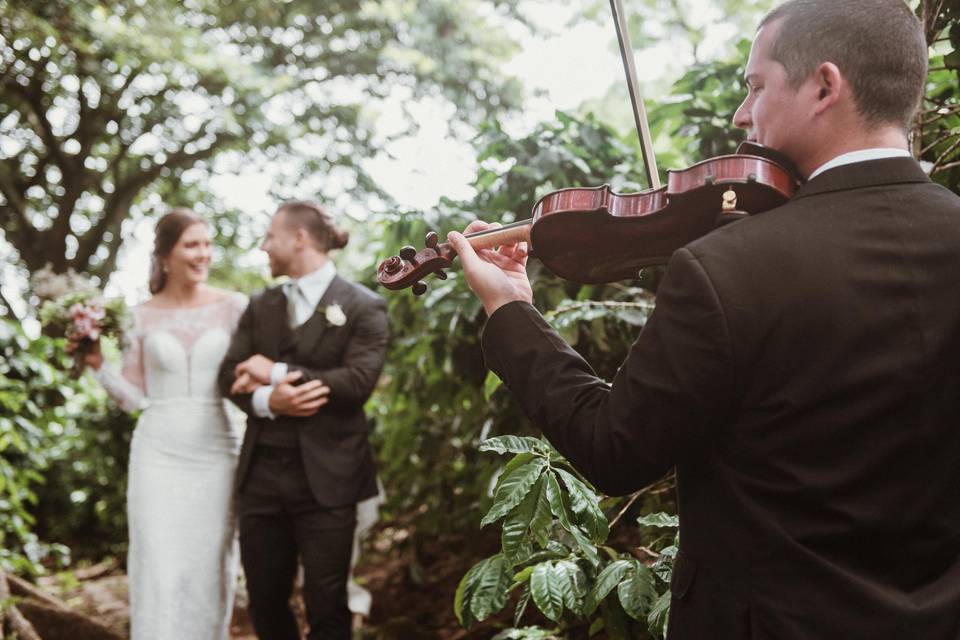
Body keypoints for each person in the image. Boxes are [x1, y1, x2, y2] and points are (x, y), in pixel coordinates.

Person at [447, 1, 960, 638]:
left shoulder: (728, 267)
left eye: (756, 87)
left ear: (825, 85)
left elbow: (614, 449)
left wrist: (510, 308)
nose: (742, 114)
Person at [219, 200, 388, 640]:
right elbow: (227, 374)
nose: (263, 247)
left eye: (270, 237)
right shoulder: (261, 304)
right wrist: (272, 401)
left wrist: (272, 371)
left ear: (300, 238)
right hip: (261, 479)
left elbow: (356, 383)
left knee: (327, 602)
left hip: (330, 480)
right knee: (265, 599)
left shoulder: (364, 305)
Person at [78, 208, 246, 639]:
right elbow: (134, 398)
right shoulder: (139, 316)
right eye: (192, 244)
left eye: (207, 244)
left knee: (211, 566)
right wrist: (98, 366)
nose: (203, 254)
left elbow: (247, 378)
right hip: (158, 452)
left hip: (217, 451)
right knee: (157, 565)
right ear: (165, 255)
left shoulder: (234, 307)